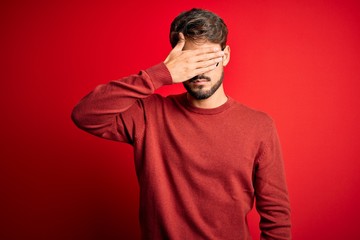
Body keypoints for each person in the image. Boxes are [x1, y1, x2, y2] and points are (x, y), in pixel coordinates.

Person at [72, 8, 291, 240]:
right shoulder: (150, 114)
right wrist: (159, 75)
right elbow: (85, 114)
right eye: (190, 60)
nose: (199, 71)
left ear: (225, 55)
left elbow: (276, 215)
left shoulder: (259, 126)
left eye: (208, 58)